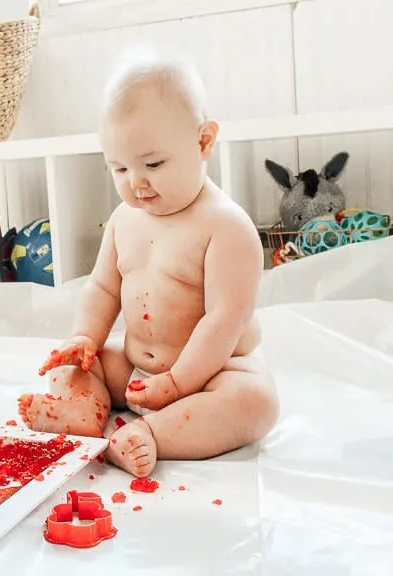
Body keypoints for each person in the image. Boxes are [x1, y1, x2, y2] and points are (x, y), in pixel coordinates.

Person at [18, 51, 279, 477]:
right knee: (74, 359)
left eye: (153, 164)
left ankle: (152, 434)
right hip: (138, 372)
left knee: (256, 400)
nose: (135, 182)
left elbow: (224, 319)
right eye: (119, 168)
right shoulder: (124, 221)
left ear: (203, 142)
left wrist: (178, 383)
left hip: (210, 373)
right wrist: (85, 336)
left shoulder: (226, 227)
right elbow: (102, 288)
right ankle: (81, 410)